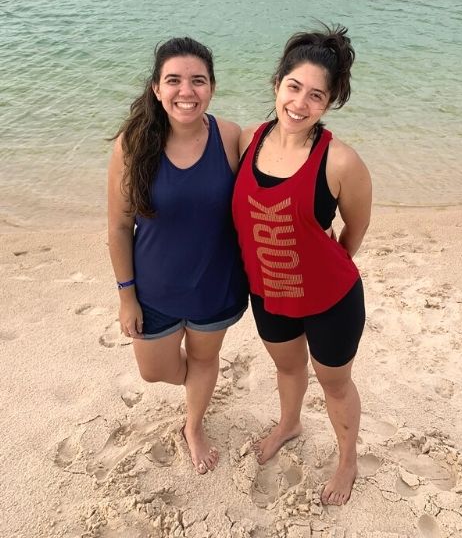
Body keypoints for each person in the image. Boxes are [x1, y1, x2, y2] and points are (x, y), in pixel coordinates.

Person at [232, 25, 371, 506]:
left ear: (328, 104)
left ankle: (347, 459)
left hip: (331, 299)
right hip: (268, 292)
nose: (300, 103)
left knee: (335, 383)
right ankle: (289, 424)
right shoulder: (247, 140)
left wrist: (323, 264)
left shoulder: (341, 161)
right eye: (293, 87)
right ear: (277, 84)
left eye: (316, 95)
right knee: (287, 368)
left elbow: (355, 229)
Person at [107, 37, 248, 475]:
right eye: (173, 80)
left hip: (215, 285)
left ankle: (194, 424)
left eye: (198, 81)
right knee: (154, 371)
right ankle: (198, 388)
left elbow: (273, 180)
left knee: (204, 360)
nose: (186, 91)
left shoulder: (230, 137)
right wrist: (126, 295)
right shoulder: (132, 145)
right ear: (156, 88)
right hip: (153, 289)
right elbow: (118, 228)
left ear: (212, 87)